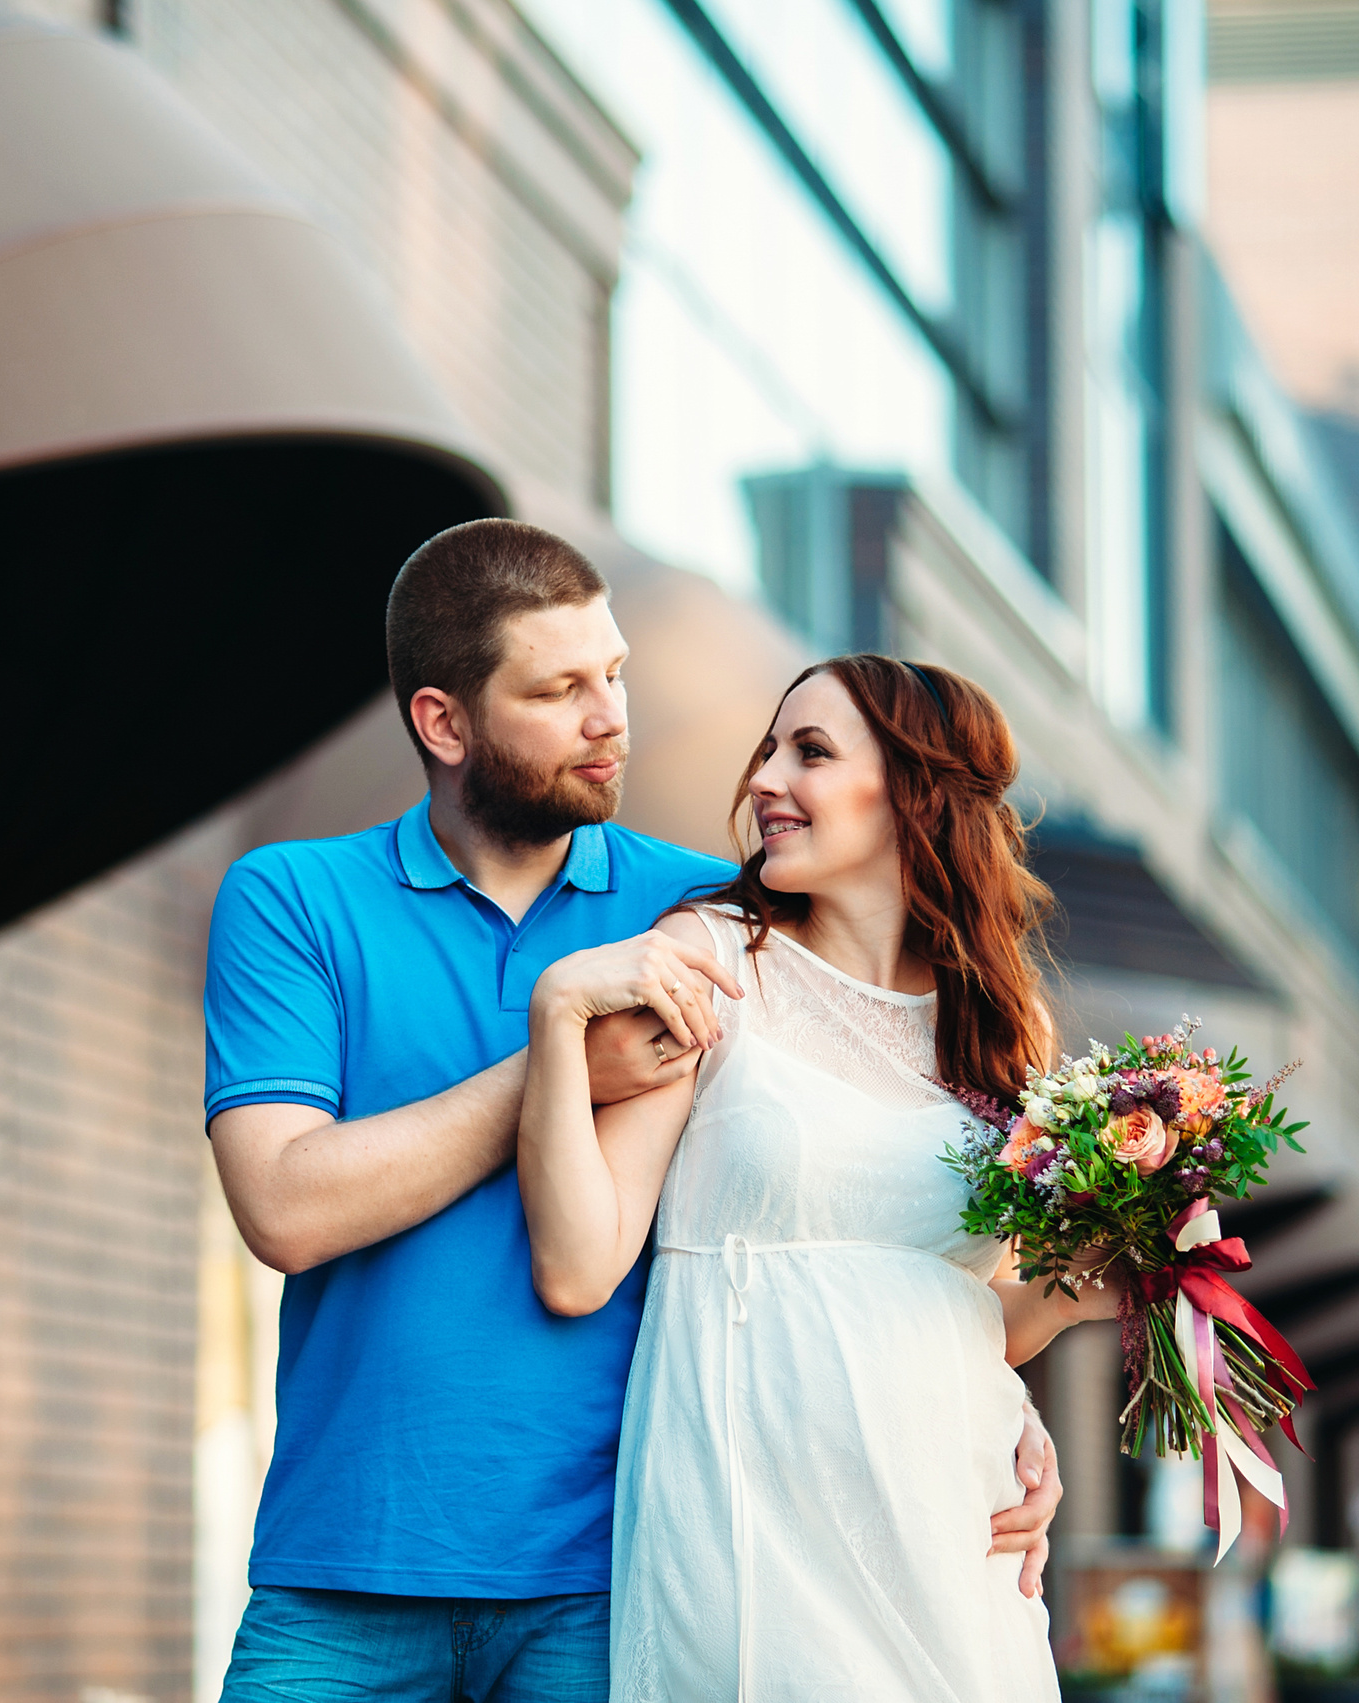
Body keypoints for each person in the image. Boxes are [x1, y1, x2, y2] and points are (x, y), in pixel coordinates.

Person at [204, 522, 1063, 1702]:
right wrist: (557, 1054)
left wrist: (990, 1407)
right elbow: (285, 1207)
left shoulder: (711, 918)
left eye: (612, 673)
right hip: (346, 1562)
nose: (610, 716)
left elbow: (861, 1174)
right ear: (444, 722)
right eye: (558, 689)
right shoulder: (293, 898)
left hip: (608, 1571)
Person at [517, 654, 1123, 1701]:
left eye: (811, 752)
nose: (764, 779)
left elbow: (975, 1308)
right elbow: (577, 1266)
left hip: (953, 1530)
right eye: (768, 750)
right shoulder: (709, 960)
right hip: (754, 1536)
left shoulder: (1004, 1028)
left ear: (914, 792)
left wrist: (1098, 1276)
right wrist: (557, 1015)